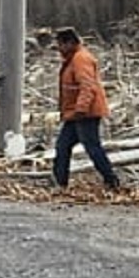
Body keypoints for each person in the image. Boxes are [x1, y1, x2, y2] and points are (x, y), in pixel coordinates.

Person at [52, 27, 120, 191]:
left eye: (60, 44)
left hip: (85, 113)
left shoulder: (81, 59)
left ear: (69, 43)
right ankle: (60, 182)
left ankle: (111, 180)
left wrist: (81, 109)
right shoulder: (73, 58)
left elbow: (87, 86)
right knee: (63, 146)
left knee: (92, 147)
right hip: (76, 113)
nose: (59, 49)